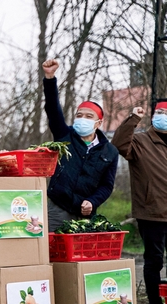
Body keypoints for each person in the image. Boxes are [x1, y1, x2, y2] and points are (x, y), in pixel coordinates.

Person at [42, 59, 119, 232]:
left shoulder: (110, 152)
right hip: (57, 208)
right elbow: (52, 109)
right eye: (79, 115)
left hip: (85, 214)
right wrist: (50, 78)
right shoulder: (64, 136)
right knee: (52, 250)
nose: (82, 119)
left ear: (98, 123)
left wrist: (93, 201)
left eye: (88, 116)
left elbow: (106, 186)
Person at [112, 104, 167, 304]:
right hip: (152, 211)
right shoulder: (141, 141)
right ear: (153, 117)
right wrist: (133, 118)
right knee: (154, 261)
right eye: (160, 113)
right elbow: (118, 144)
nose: (163, 117)